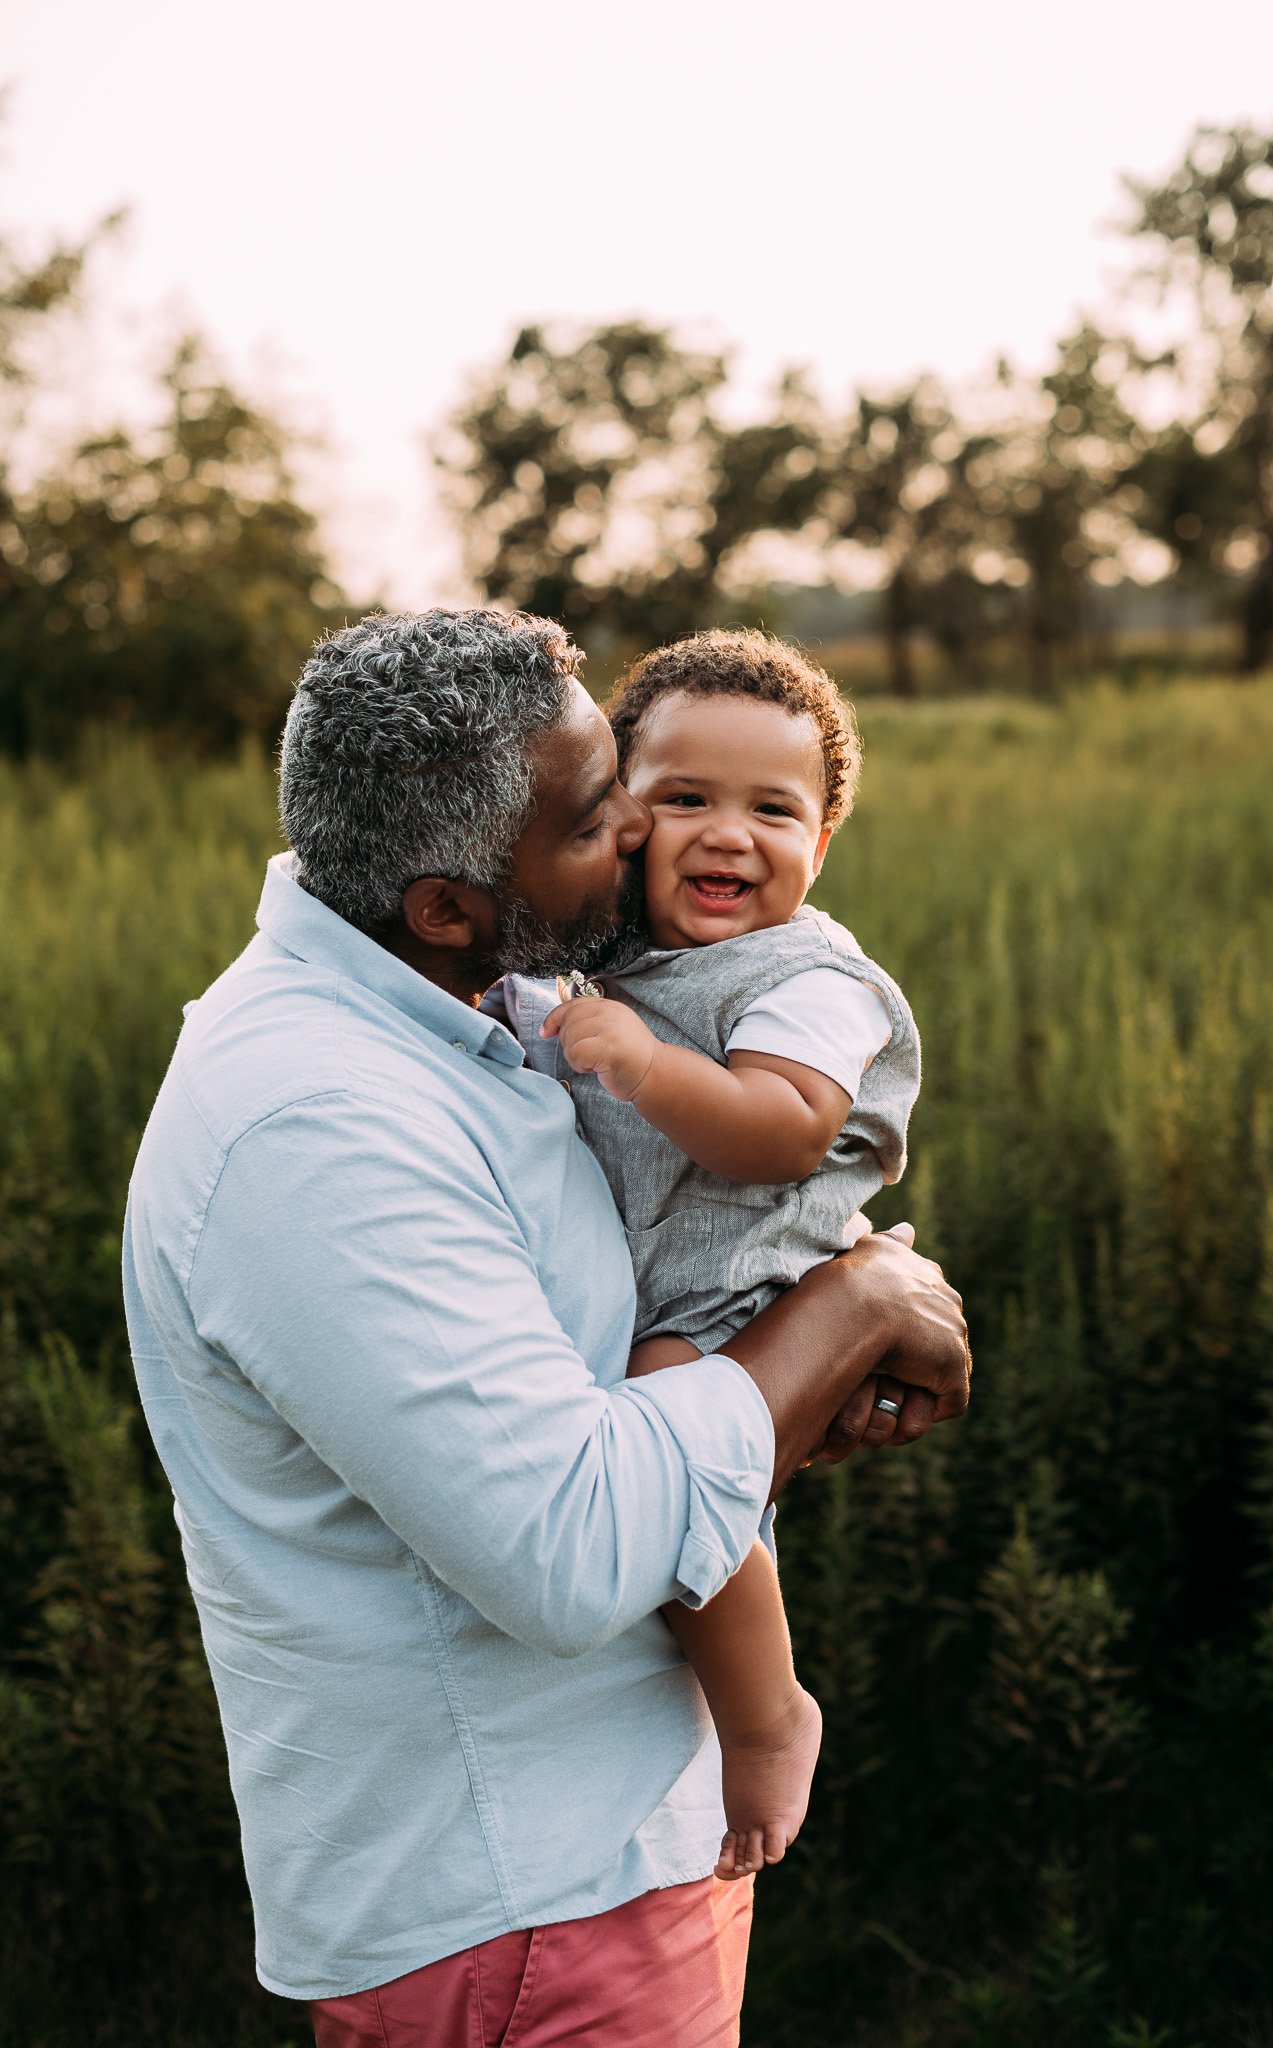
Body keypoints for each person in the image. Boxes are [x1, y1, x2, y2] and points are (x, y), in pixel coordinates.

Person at [122, 608, 971, 2048]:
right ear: (449, 900)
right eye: (601, 816)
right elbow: (569, 1551)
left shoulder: (450, 985)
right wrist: (850, 1307)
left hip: (597, 1853)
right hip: (521, 1910)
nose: (641, 829)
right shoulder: (319, 1129)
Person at [495, 629, 917, 1887]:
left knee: (674, 1412)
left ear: (823, 842)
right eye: (683, 797)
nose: (726, 834)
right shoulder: (619, 952)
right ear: (620, 812)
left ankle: (767, 1713)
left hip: (741, 1286)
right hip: (657, 1270)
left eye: (771, 809)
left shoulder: (811, 978)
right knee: (660, 1450)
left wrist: (639, 1061)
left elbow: (782, 1134)